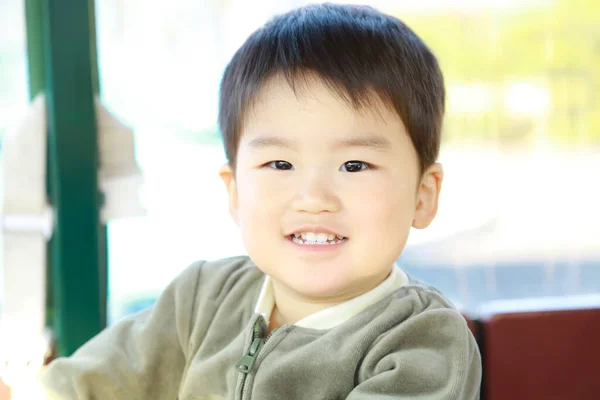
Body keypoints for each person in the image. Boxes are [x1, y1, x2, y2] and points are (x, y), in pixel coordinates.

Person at [40, 3, 482, 399]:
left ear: (423, 197)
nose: (313, 200)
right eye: (279, 165)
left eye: (354, 166)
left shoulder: (423, 341)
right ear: (234, 192)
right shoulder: (201, 299)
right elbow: (78, 386)